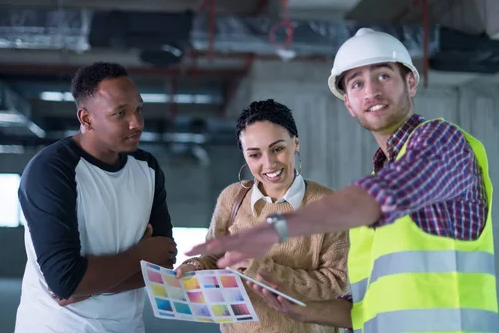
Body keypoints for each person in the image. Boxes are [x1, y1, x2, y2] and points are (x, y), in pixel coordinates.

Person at [186, 28, 498, 332]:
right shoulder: (377, 179)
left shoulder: (441, 142)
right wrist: (300, 311)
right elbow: (364, 307)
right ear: (348, 103)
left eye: (383, 76)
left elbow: (383, 196)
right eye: (357, 84)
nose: (371, 91)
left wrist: (276, 229)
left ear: (411, 81)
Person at [14, 62, 177, 333]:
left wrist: (86, 289)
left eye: (138, 109)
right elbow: (66, 280)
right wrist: (141, 253)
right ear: (86, 118)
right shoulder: (52, 170)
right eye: (120, 113)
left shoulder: (146, 167)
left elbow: (164, 260)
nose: (136, 123)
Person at [177, 99, 348, 333]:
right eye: (255, 154)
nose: (268, 164)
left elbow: (336, 283)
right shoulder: (232, 198)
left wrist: (265, 270)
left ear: (295, 143)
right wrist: (192, 268)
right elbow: (213, 257)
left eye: (277, 149)